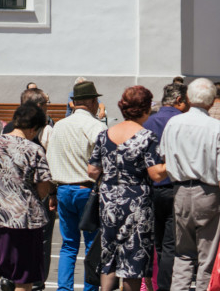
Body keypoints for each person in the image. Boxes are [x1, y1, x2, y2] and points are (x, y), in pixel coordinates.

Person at [160, 78, 220, 291]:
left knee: (183, 254)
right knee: (207, 256)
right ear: (212, 101)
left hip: (181, 191)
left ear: (187, 98)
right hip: (208, 193)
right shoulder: (216, 127)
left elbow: (164, 156)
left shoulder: (174, 123)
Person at [88, 86, 167, 291]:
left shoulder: (105, 135)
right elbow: (156, 173)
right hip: (136, 203)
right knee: (133, 259)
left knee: (110, 255)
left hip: (109, 201)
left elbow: (92, 170)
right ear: (146, 108)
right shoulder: (147, 137)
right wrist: (173, 162)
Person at [47, 80, 107, 291]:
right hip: (87, 190)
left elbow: (51, 158)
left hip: (63, 188)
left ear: (74, 103)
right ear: (92, 101)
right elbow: (104, 161)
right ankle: (90, 288)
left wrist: (53, 191)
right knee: (92, 245)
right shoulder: (97, 126)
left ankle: (64, 289)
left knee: (68, 245)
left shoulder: (60, 126)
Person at [0, 104, 50, 291]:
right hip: (25, 220)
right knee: (24, 273)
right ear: (33, 128)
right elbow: (43, 186)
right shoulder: (34, 149)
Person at [142, 83, 188, 291]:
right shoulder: (182, 122)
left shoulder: (149, 122)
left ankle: (151, 284)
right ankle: (164, 286)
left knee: (154, 242)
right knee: (170, 245)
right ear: (179, 100)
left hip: (151, 188)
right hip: (174, 187)